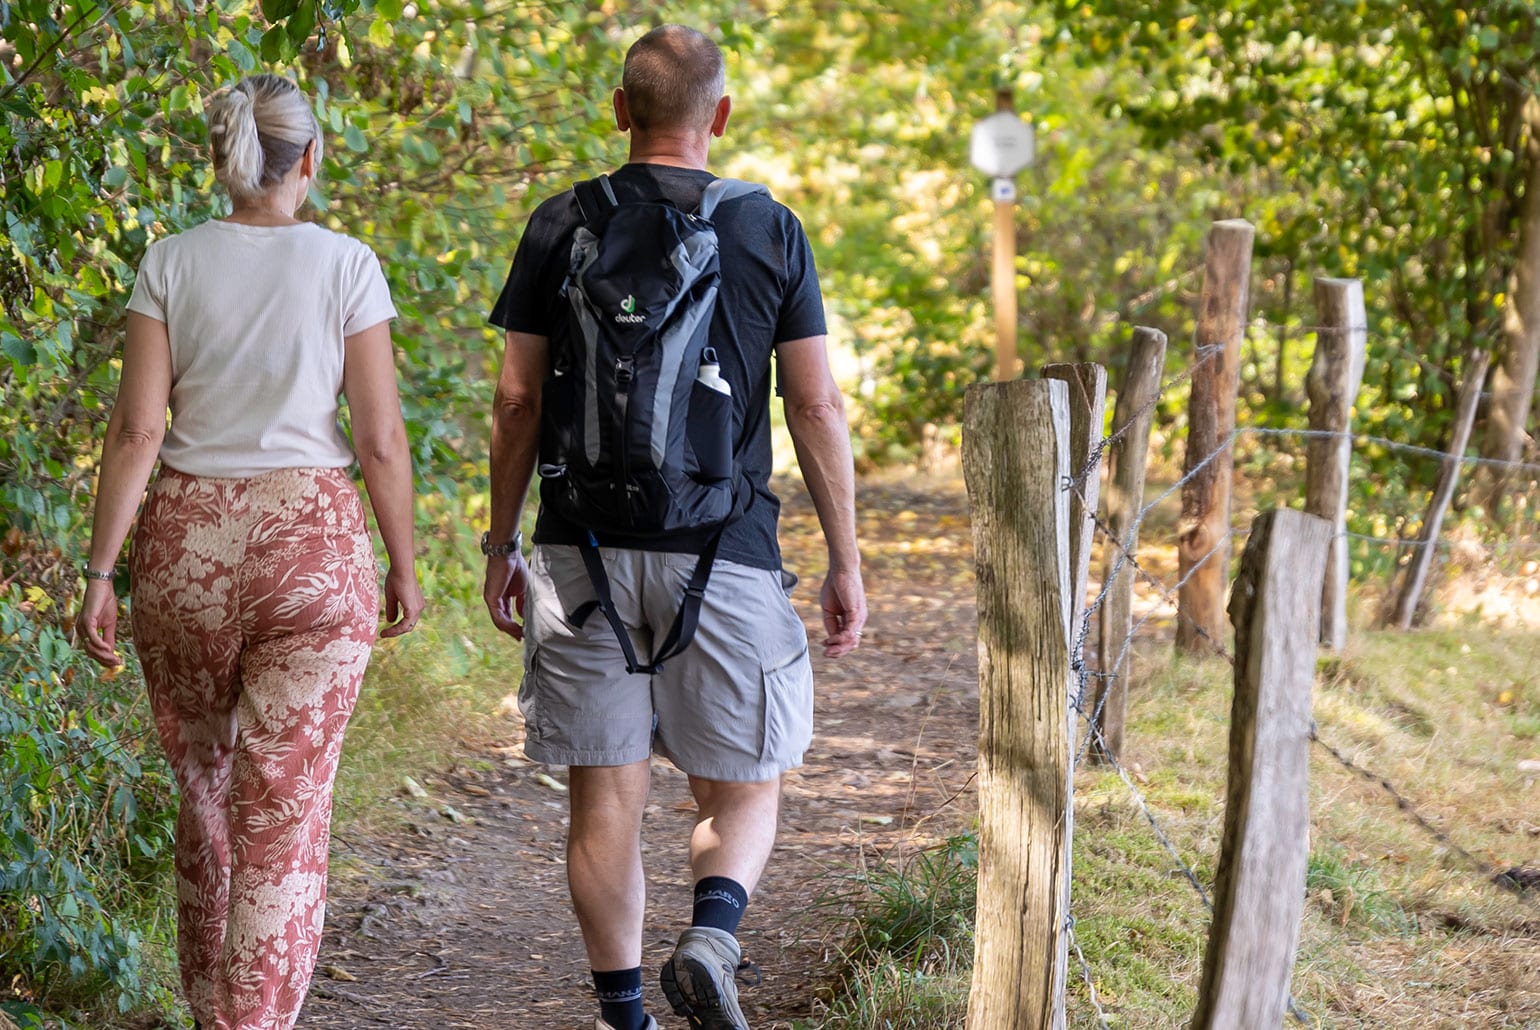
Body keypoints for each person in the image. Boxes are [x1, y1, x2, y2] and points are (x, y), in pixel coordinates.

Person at [483, 24, 866, 1030]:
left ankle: (625, 1018)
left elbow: (517, 401)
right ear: (721, 116)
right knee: (741, 785)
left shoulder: (558, 221)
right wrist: (844, 558)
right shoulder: (767, 228)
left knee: (602, 799)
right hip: (726, 551)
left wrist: (500, 543)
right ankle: (711, 932)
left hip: (581, 557)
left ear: (621, 110)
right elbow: (815, 406)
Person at [75, 73, 424, 1030]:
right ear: (308, 159)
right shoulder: (347, 264)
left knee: (205, 796)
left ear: (223, 160)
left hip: (187, 547)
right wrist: (401, 560)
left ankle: (210, 1012)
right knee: (285, 811)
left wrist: (103, 571)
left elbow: (140, 431)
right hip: (310, 546)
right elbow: (382, 438)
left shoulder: (171, 262)